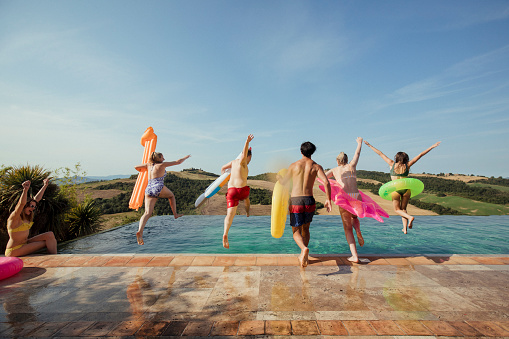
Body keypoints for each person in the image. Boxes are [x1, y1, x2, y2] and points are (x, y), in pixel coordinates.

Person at [364, 140, 441, 234]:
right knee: (403, 209)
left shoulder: (392, 164)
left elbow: (380, 153)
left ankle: (409, 217)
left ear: (396, 157)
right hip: (406, 190)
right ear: (406, 159)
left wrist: (369, 145)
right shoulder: (407, 165)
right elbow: (420, 155)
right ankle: (404, 228)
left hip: (395, 189)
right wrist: (431, 147)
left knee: (397, 210)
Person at [279, 141, 332, 267]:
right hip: (309, 200)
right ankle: (305, 255)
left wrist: (278, 178)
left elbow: (284, 183)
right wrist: (328, 199)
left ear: (301, 151)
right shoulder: (316, 166)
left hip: (296, 200)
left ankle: (303, 249)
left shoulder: (293, 165)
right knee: (306, 229)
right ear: (312, 152)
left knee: (295, 230)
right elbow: (326, 182)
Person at [135, 152, 191, 245]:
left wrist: (144, 169)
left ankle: (140, 231)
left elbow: (136, 167)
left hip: (148, 188)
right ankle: (175, 214)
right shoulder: (162, 165)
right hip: (158, 186)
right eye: (162, 157)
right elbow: (178, 162)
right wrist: (185, 157)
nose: (164, 159)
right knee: (171, 196)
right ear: (158, 158)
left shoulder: (148, 165)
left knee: (147, 213)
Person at [325, 137, 364, 263]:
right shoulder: (352, 165)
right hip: (356, 196)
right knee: (355, 218)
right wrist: (359, 143)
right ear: (347, 160)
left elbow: (322, 178)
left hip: (345, 199)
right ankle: (358, 229)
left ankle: (355, 256)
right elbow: (357, 154)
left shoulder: (334, 170)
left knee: (347, 229)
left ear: (337, 161)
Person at [5, 179, 57, 257]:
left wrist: (45, 185)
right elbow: (21, 204)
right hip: (14, 250)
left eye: (34, 207)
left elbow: (37, 199)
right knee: (46, 242)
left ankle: (55, 256)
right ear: (25, 205)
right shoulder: (14, 218)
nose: (33, 208)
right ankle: (55, 258)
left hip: (24, 243)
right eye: (31, 206)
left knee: (50, 235)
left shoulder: (27, 216)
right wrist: (25, 190)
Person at [220, 134, 254, 249]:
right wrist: (247, 142)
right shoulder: (243, 162)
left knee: (229, 215)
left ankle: (225, 233)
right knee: (247, 199)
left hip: (231, 191)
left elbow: (223, 168)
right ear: (248, 157)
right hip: (241, 190)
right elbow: (244, 153)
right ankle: (247, 212)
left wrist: (223, 176)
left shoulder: (233, 162)